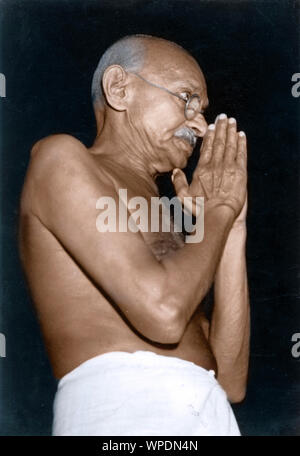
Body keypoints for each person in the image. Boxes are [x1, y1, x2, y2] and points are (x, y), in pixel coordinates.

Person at [19, 34, 249, 436]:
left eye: (203, 110)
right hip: (124, 418)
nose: (199, 122)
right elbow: (163, 313)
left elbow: (229, 381)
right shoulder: (60, 158)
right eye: (186, 98)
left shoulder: (165, 211)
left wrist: (230, 228)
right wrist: (220, 211)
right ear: (119, 89)